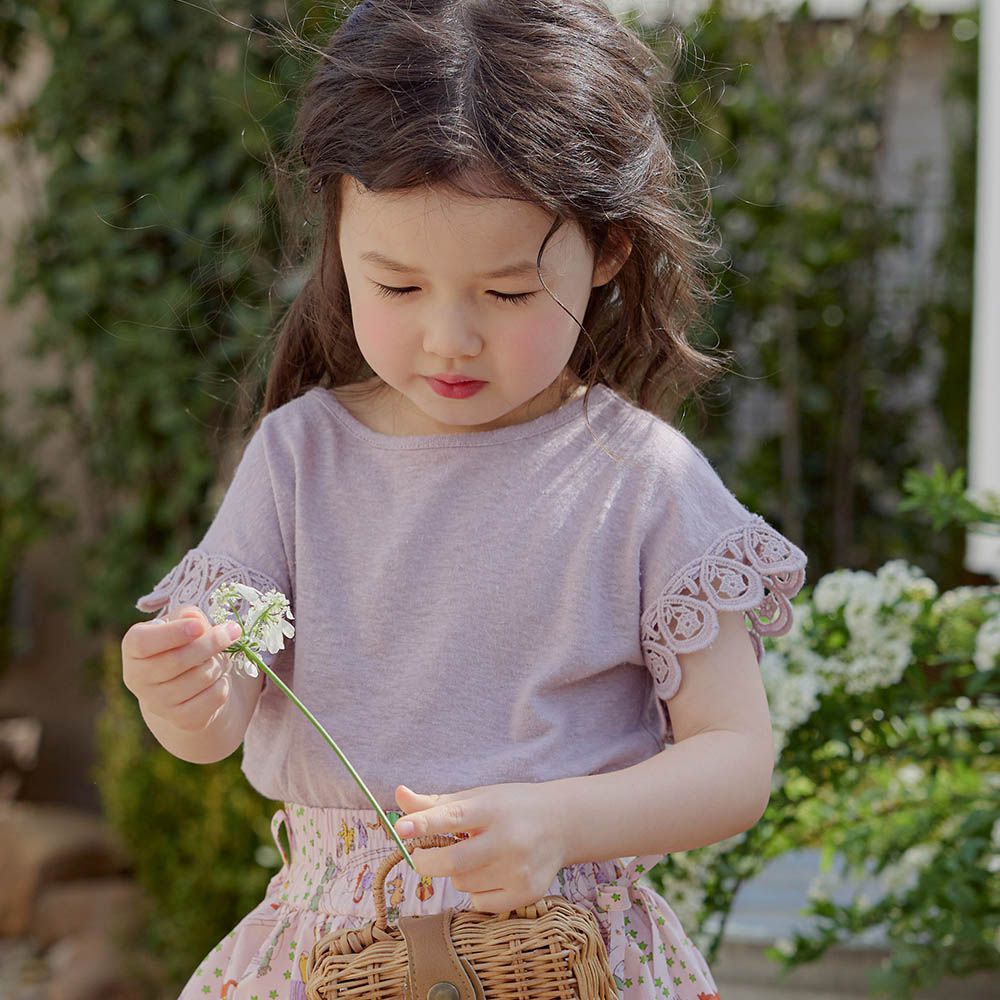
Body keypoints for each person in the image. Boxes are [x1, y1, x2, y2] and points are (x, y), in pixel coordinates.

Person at [121, 2, 808, 997]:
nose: (451, 337)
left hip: (567, 954)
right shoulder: (299, 457)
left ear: (608, 249)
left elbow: (734, 757)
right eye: (396, 287)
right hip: (330, 959)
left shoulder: (641, 480)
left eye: (508, 293)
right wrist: (179, 692)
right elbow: (219, 717)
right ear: (339, 234)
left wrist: (562, 823)